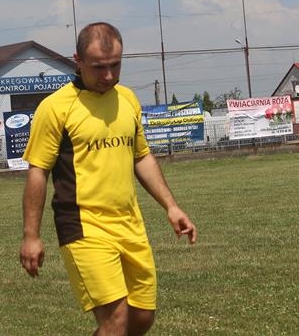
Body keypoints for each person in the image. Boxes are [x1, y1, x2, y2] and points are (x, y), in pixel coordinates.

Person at [19, 22, 197, 335]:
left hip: (129, 224)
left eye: (115, 65)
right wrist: (30, 235)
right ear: (77, 60)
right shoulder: (56, 108)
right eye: (99, 67)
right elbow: (38, 173)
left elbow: (141, 157)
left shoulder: (127, 99)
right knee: (115, 319)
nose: (109, 75)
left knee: (142, 316)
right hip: (83, 227)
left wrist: (171, 206)